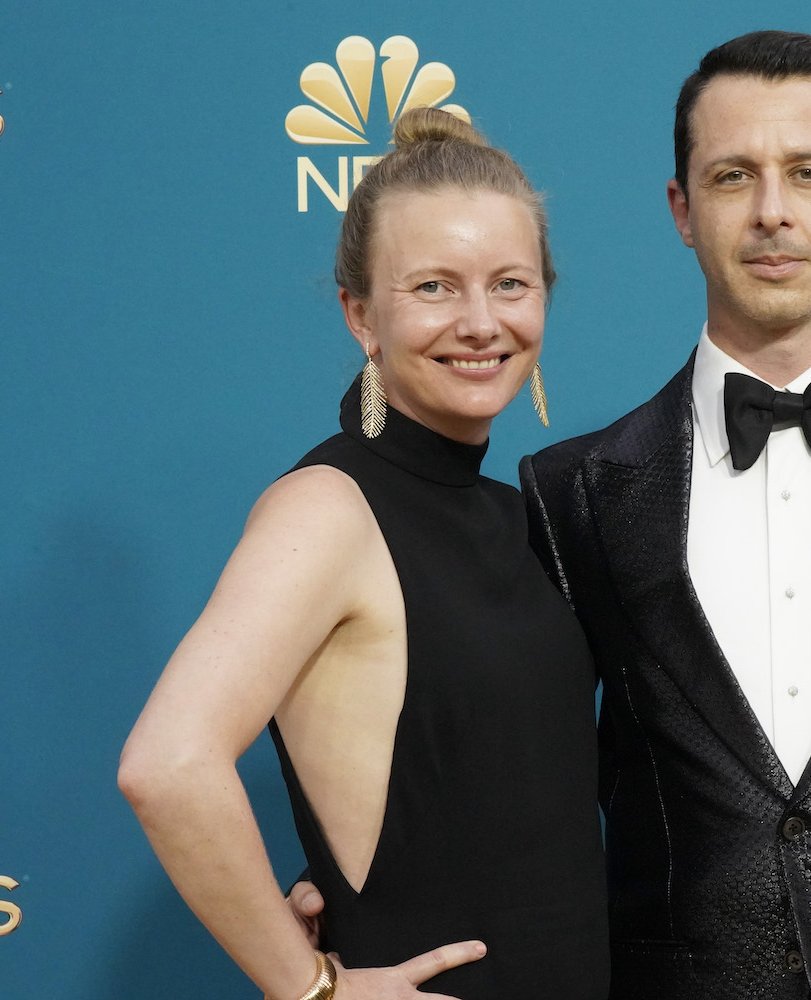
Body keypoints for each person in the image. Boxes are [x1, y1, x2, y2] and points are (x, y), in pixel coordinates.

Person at [296, 29, 811, 1000]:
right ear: (682, 210)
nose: (771, 212)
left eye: (807, 173)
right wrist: (372, 895)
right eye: (733, 176)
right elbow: (511, 762)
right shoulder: (573, 492)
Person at [118, 107, 609, 1000]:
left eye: (509, 283)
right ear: (360, 315)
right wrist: (312, 987)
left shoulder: (517, 514)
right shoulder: (330, 508)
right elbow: (167, 763)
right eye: (432, 288)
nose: (479, 321)